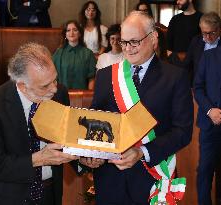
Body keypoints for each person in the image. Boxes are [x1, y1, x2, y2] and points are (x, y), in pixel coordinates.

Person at [80, 11, 193, 205]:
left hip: (152, 178)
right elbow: (95, 122)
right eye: (124, 42)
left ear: (153, 38)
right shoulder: (107, 76)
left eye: (134, 41)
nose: (128, 49)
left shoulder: (175, 77)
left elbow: (183, 131)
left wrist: (143, 152)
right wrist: (87, 155)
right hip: (110, 181)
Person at [0, 42, 78, 205]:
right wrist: (38, 159)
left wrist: (82, 159)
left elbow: (65, 138)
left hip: (48, 195)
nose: (54, 89)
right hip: (4, 197)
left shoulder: (59, 94)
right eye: (45, 86)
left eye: (55, 80)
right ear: (22, 86)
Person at [193, 46, 221, 205]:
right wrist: (210, 110)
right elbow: (198, 87)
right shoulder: (209, 56)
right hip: (210, 124)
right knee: (205, 171)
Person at [53, 20, 96, 90]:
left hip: (82, 95)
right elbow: (52, 77)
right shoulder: (58, 53)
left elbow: (91, 78)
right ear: (65, 34)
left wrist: (88, 96)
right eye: (68, 30)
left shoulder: (88, 54)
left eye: (75, 30)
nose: (71, 33)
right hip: (62, 95)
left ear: (80, 33)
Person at [184, 11, 221, 84]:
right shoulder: (196, 41)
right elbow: (187, 66)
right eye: (204, 33)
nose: (208, 37)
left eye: (212, 33)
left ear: (219, 29)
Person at [167, 0, 202, 66]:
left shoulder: (201, 18)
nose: (177, 2)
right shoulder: (174, 19)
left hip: (195, 64)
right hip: (176, 65)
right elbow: (168, 47)